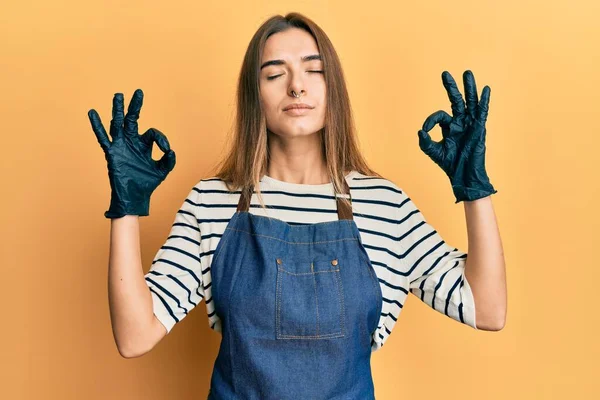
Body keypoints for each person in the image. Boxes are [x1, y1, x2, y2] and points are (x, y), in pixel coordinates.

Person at [88, 12, 505, 400]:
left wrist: (474, 188)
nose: (297, 86)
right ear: (254, 94)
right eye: (274, 73)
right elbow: (134, 335)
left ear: (333, 88)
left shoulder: (384, 205)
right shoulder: (211, 202)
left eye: (314, 70)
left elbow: (487, 308)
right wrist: (127, 207)